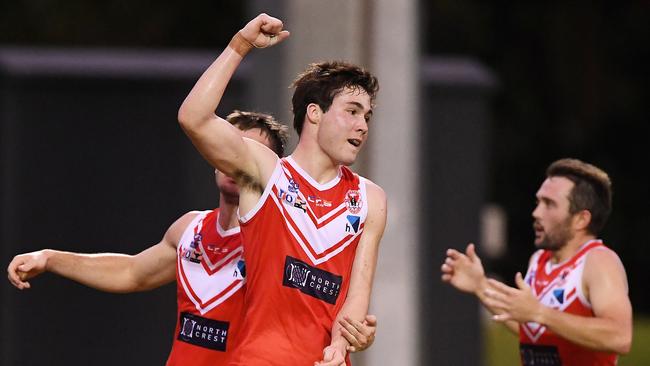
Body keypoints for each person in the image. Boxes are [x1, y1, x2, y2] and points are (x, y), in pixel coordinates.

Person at [7, 111, 377, 365]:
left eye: (248, 154)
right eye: (228, 149)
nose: (235, 161)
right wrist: (51, 257)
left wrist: (355, 334)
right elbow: (133, 273)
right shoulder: (190, 229)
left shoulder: (285, 239)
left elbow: (327, 306)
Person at [177, 13, 387, 366]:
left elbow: (356, 298)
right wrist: (240, 45)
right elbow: (193, 118)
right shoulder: (264, 171)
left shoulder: (370, 198)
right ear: (315, 113)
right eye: (351, 111)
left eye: (366, 116)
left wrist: (345, 343)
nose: (361, 126)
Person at [441, 158, 632, 365]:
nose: (536, 213)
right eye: (538, 202)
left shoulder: (599, 261)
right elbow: (532, 328)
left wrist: (540, 313)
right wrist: (481, 286)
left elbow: (620, 337)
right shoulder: (539, 260)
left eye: (549, 204)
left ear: (581, 219)